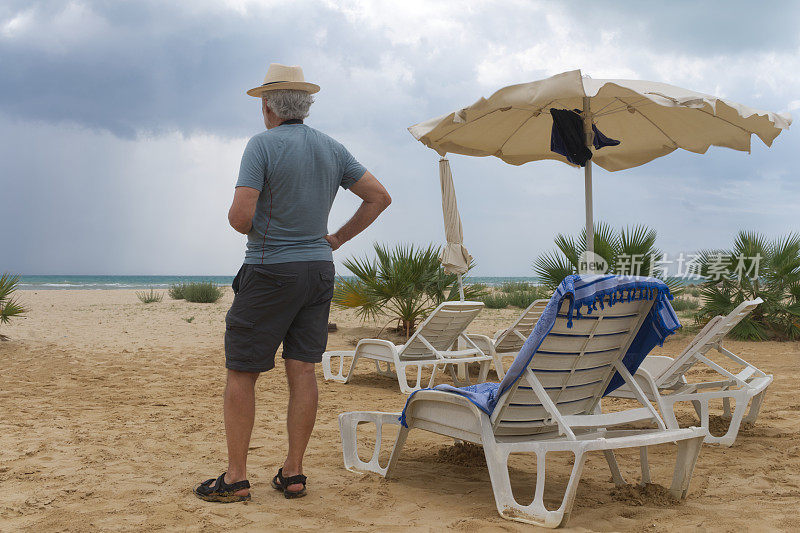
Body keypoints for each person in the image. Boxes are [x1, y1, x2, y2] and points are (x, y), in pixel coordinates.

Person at [194, 63, 391, 502]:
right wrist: (336, 237)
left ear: (267, 106)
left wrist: (262, 225)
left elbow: (240, 217)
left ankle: (236, 477)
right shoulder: (332, 148)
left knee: (242, 371)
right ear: (305, 105)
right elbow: (380, 196)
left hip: (270, 270)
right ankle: (294, 472)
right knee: (303, 368)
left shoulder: (261, 146)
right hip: (319, 269)